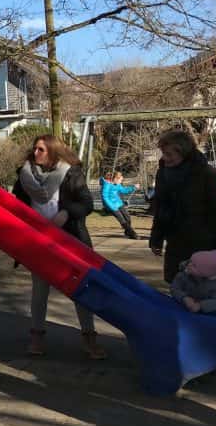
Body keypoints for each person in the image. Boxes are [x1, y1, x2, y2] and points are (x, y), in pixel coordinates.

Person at [13, 134, 106, 359]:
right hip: (39, 242)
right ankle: (37, 337)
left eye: (41, 150)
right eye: (35, 149)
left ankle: (89, 337)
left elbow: (86, 203)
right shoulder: (25, 174)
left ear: (53, 152)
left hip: (69, 239)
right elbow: (16, 203)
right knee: (39, 291)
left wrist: (66, 213)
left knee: (79, 288)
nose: (35, 153)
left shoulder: (70, 172)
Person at [150, 129, 216, 284]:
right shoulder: (163, 173)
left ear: (183, 152)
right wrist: (156, 238)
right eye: (163, 153)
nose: (165, 158)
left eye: (169, 154)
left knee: (201, 287)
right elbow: (161, 207)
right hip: (175, 240)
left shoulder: (206, 174)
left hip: (202, 243)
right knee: (176, 284)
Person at [99, 171, 138, 239]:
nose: (120, 182)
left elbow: (123, 190)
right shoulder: (107, 184)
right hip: (111, 205)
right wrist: (112, 207)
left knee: (127, 217)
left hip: (118, 203)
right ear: (115, 179)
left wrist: (133, 187)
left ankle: (127, 232)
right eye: (120, 180)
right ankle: (132, 233)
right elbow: (105, 197)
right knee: (122, 219)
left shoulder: (117, 184)